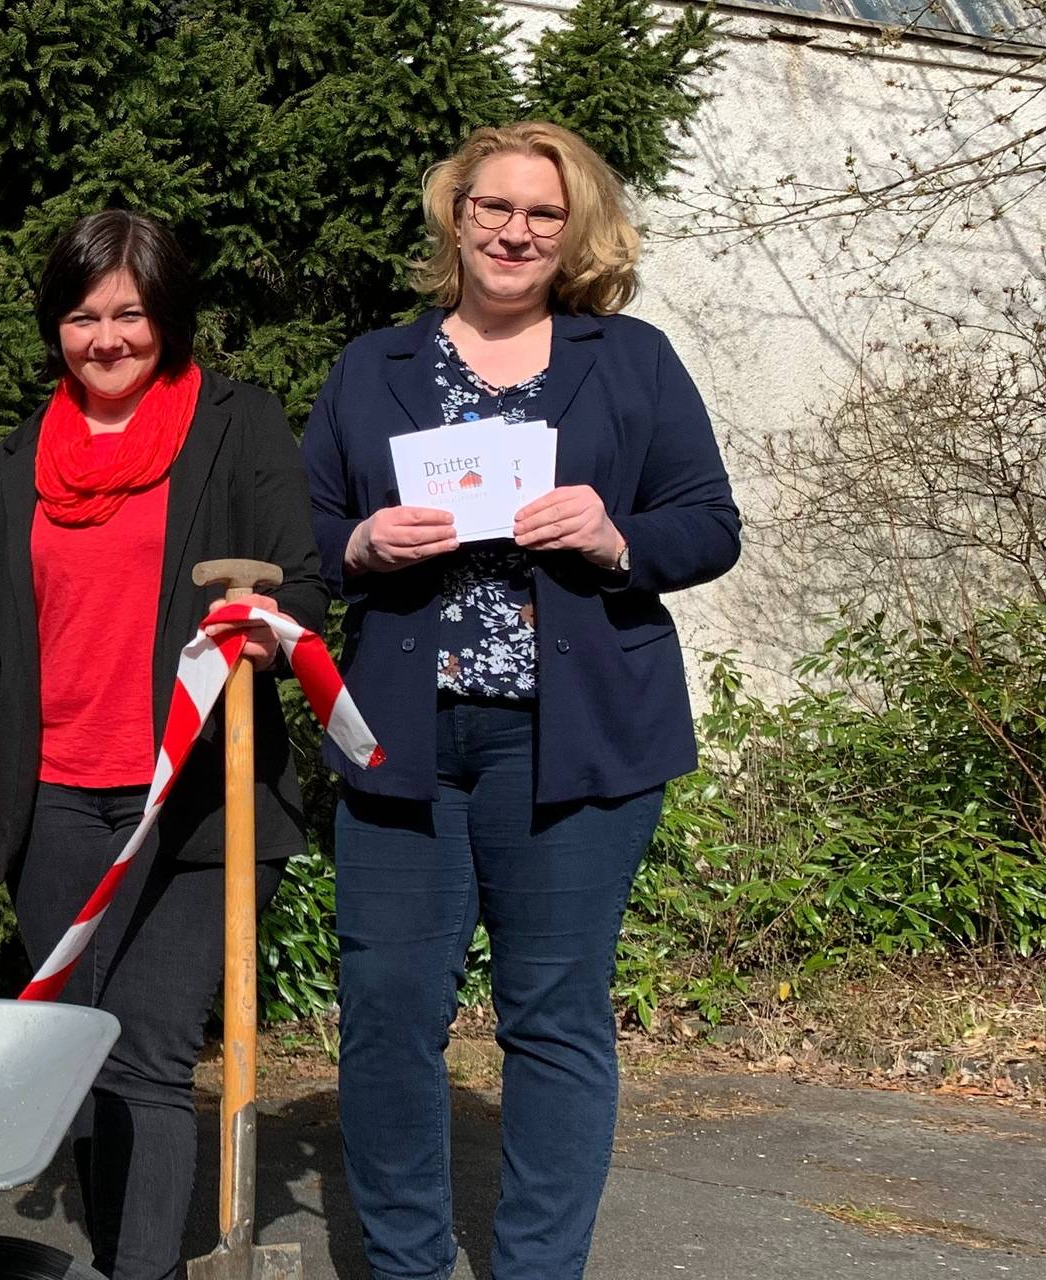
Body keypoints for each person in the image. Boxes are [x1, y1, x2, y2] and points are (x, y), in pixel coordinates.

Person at [301, 121, 740, 1280]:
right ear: (454, 218)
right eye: (491, 208)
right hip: (402, 740)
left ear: (573, 231)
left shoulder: (629, 359)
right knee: (389, 1015)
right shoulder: (371, 367)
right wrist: (356, 540)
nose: (513, 231)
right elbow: (298, 537)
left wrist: (612, 533)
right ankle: (403, 1265)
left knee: (551, 1018)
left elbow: (707, 522)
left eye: (541, 214)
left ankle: (535, 1270)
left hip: (573, 742)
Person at [0, 209, 325, 1280]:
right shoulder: (20, 462)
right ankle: (116, 1261)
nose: (105, 337)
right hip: (52, 799)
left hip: (190, 800)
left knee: (146, 1052)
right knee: (80, 1058)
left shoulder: (233, 426)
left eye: (129, 313)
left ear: (168, 316)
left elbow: (305, 580)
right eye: (82, 315)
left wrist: (266, 633)